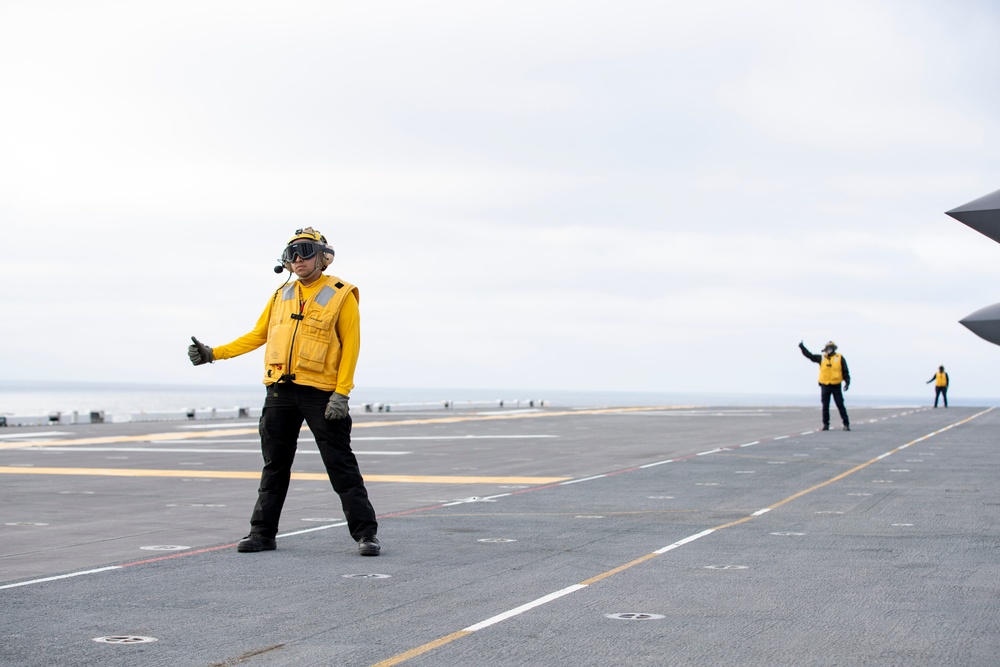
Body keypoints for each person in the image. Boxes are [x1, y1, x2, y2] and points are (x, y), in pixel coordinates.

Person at [187, 227, 380, 556]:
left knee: (341, 465)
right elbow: (257, 335)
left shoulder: (341, 293)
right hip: (279, 392)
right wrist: (212, 354)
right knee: (274, 465)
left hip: (321, 394)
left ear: (323, 257)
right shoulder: (281, 295)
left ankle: (366, 535)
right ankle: (262, 533)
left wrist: (342, 393)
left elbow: (351, 347)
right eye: (292, 254)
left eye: (305, 251)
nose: (298, 259)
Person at [798, 340, 851, 431]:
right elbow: (810, 356)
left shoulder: (840, 358)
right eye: (827, 348)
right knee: (825, 406)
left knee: (840, 404)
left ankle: (846, 424)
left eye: (830, 348)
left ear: (833, 349)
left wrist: (847, 382)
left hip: (836, 385)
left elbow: (845, 371)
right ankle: (826, 424)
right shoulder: (821, 358)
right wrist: (802, 347)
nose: (828, 350)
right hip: (825, 385)